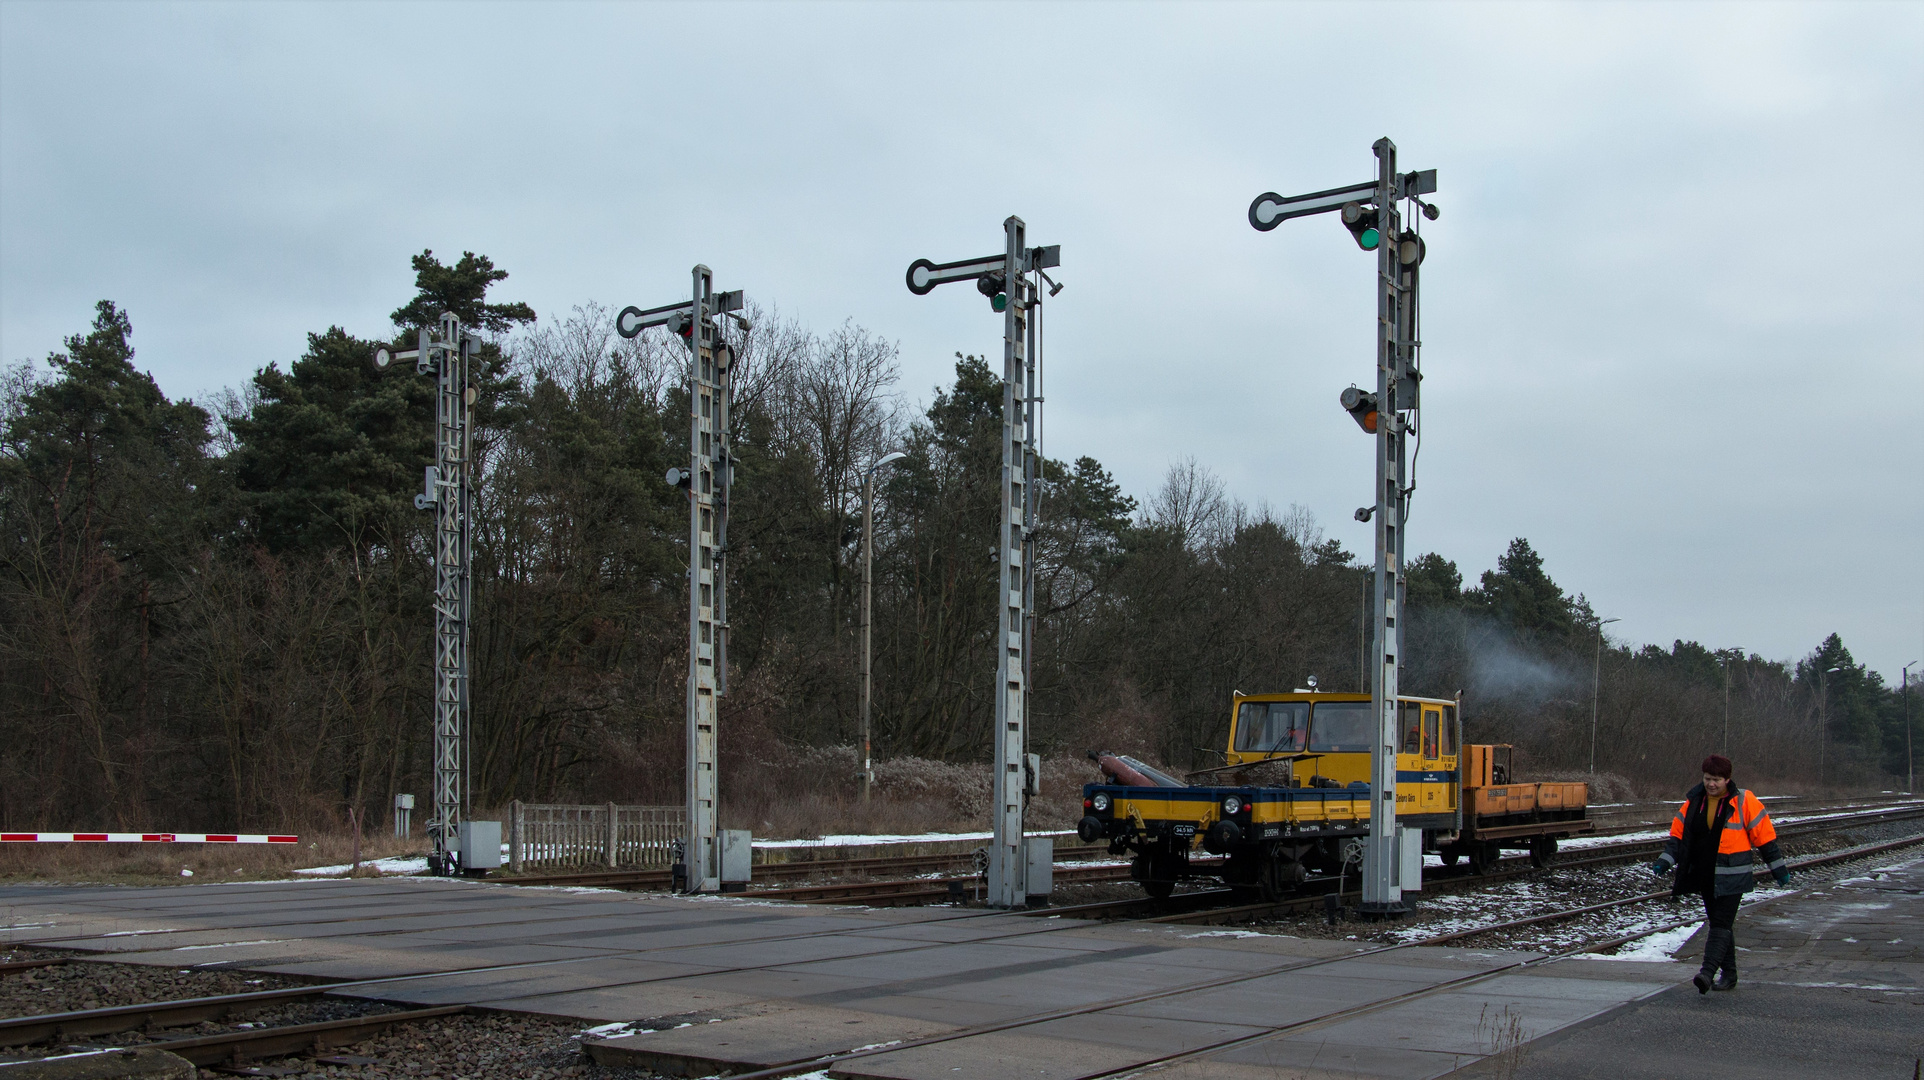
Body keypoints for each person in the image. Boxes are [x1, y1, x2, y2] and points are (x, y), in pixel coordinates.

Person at [1651, 754, 1791, 993]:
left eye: (1716, 779)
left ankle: (1707, 973)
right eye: (1707, 778)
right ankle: (1730, 975)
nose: (1711, 784)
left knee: (1721, 923)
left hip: (1734, 875)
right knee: (1719, 924)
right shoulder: (1694, 801)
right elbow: (1678, 836)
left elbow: (1765, 840)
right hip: (1706, 875)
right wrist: (1666, 860)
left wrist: (1778, 870)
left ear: (1728, 779)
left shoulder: (1745, 801)